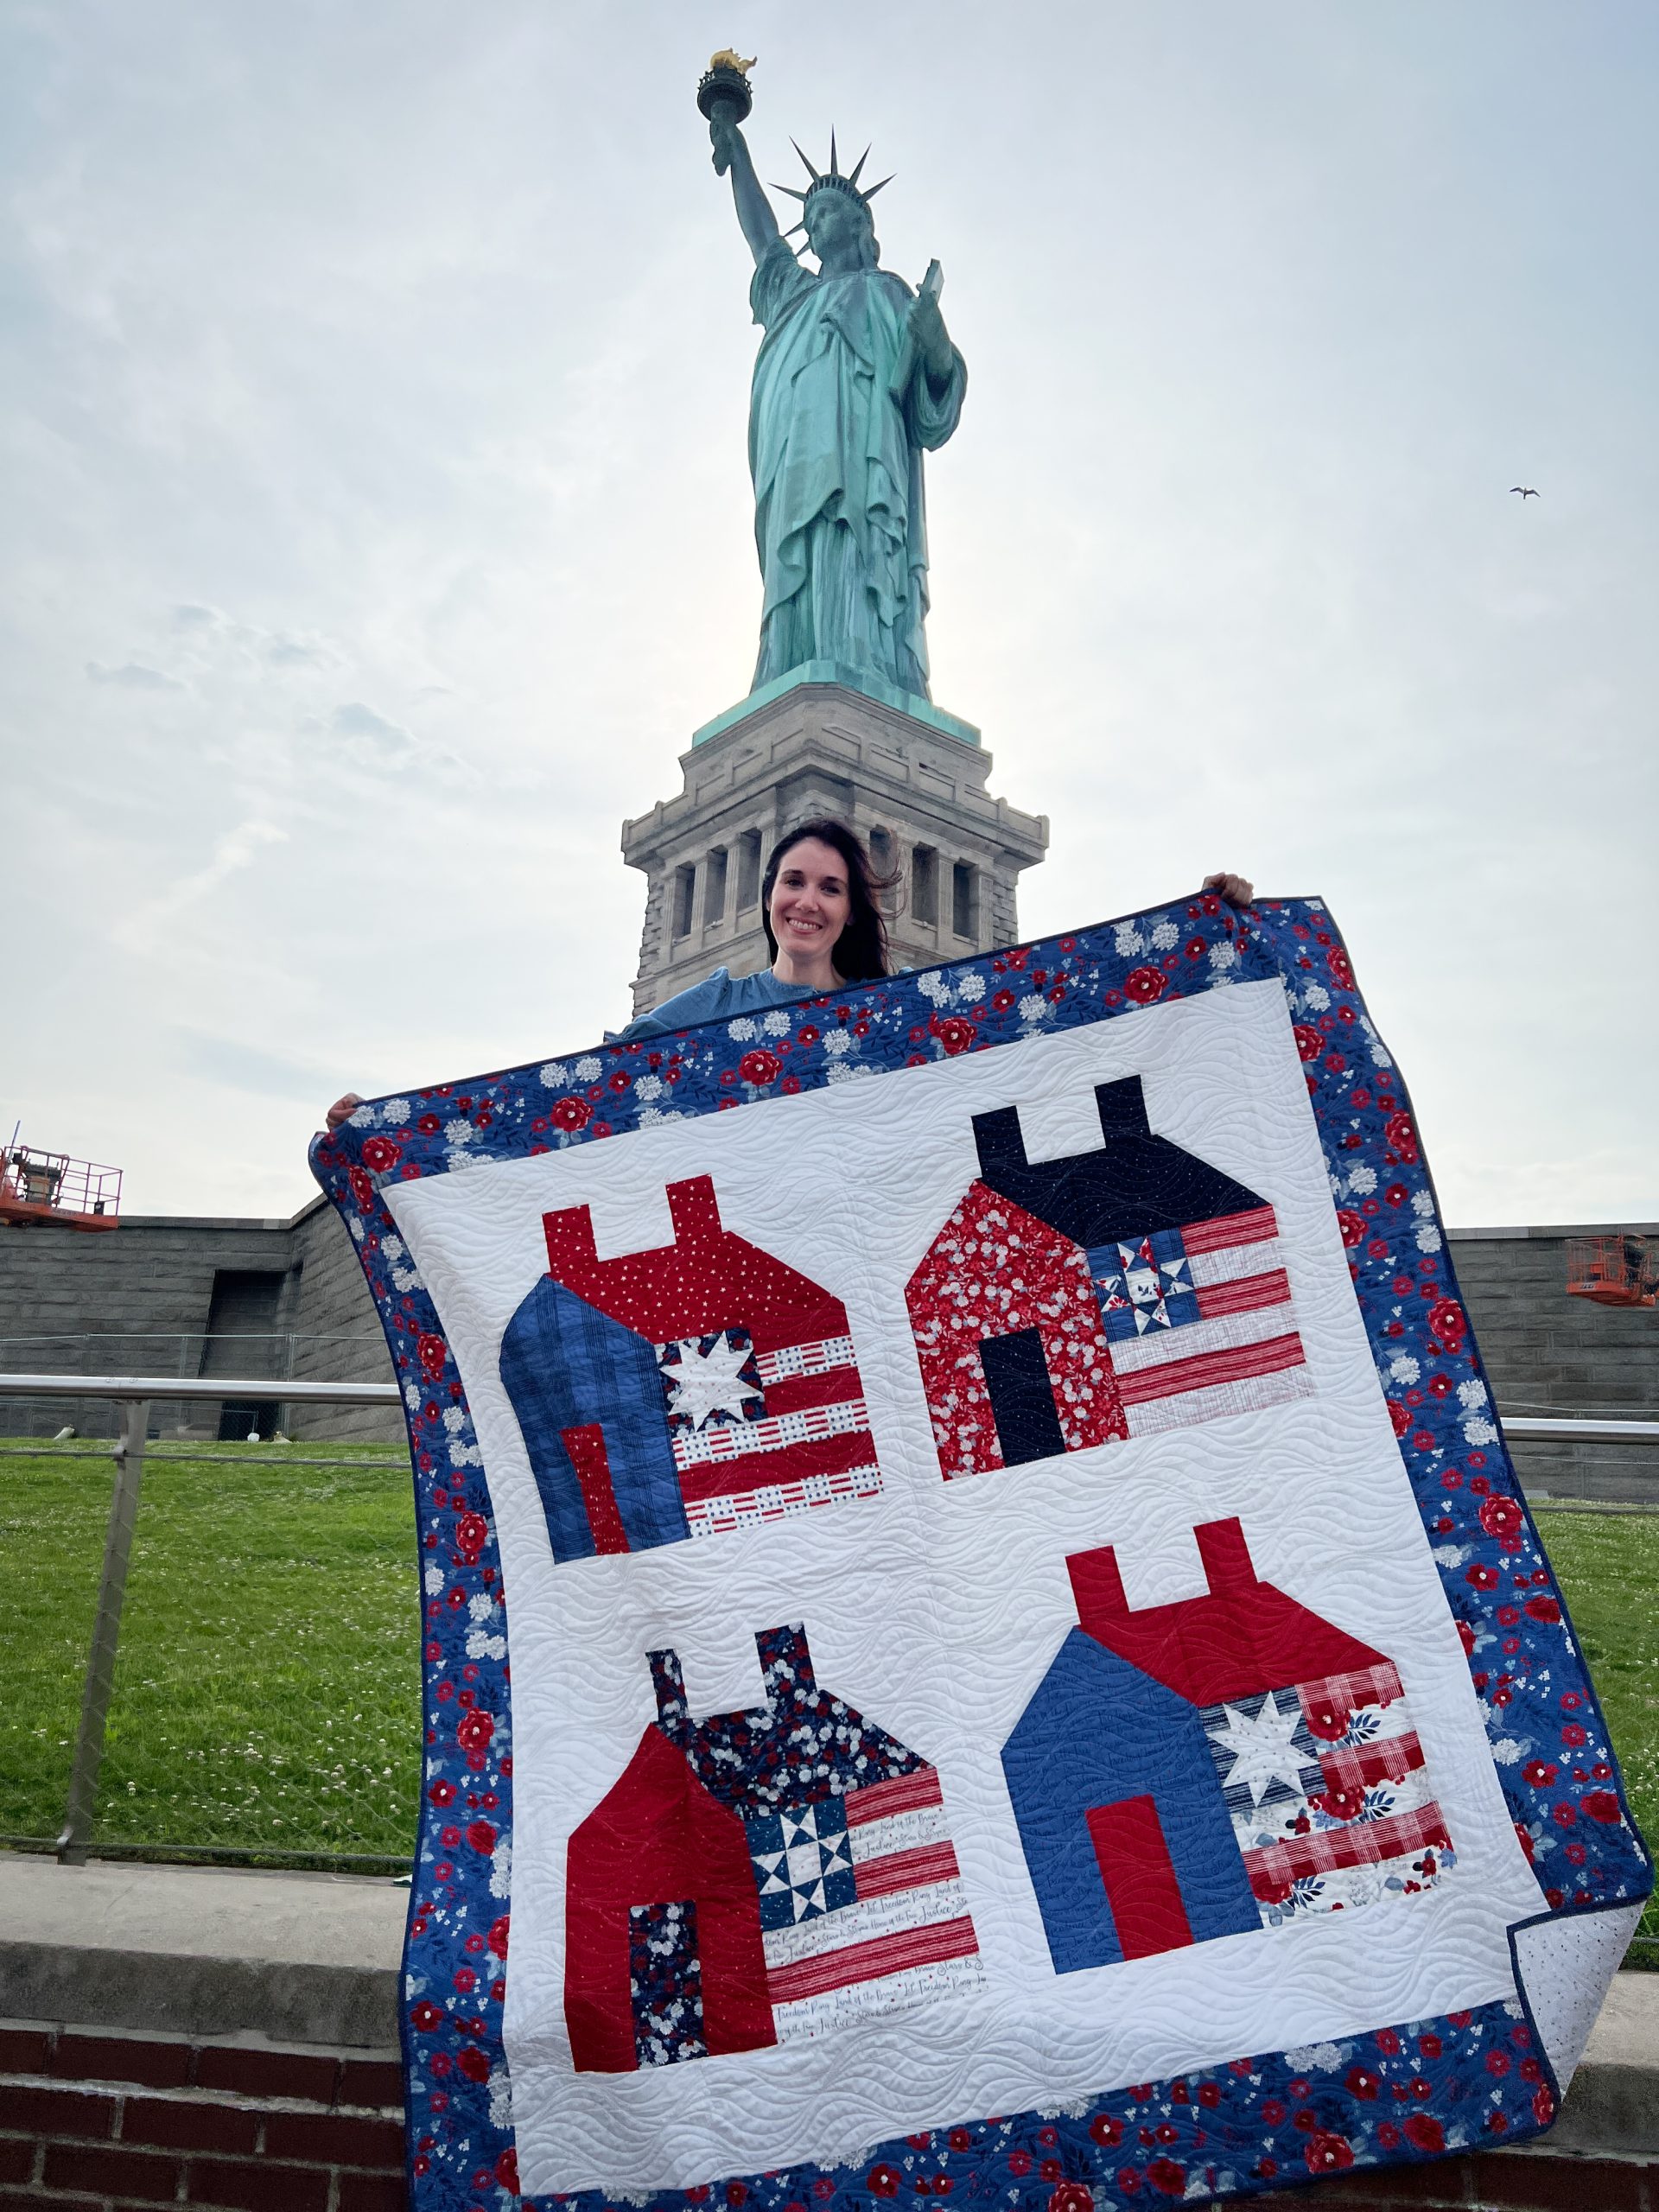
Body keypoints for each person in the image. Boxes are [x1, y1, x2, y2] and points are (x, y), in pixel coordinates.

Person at [321, 823, 1255, 1128]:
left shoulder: (890, 1015)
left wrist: (1198, 937)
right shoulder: (712, 1007)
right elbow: (577, 1095)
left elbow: (1049, 1022)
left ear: (852, 908)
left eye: (831, 887)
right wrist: (399, 1122)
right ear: (768, 895)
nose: (809, 901)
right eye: (794, 882)